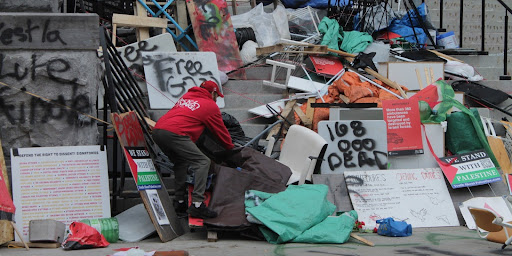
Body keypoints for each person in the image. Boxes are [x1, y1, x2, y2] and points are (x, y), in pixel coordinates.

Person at [152, 80, 234, 219]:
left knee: (181, 162)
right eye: (216, 96)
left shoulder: (186, 97)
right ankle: (197, 204)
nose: (216, 99)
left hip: (158, 130)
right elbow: (221, 132)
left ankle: (179, 202)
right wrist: (231, 150)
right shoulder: (210, 105)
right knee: (202, 162)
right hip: (175, 133)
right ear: (213, 93)